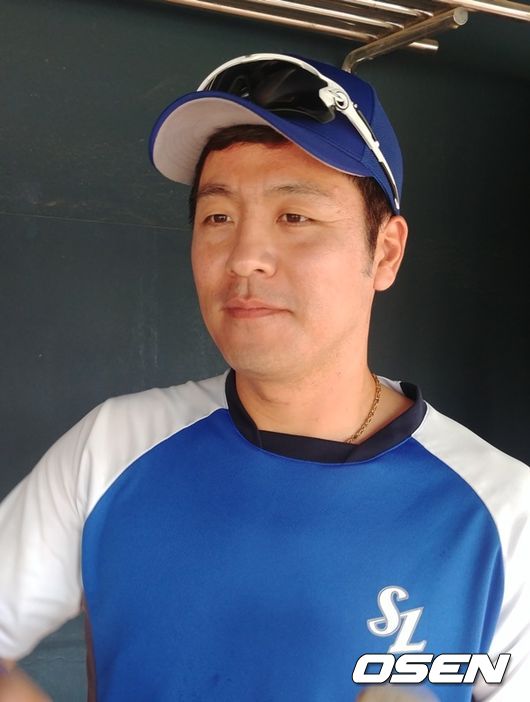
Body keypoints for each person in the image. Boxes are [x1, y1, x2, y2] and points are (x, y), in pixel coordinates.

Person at [0, 52, 528, 702]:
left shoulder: (504, 514)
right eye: (218, 217)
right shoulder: (114, 448)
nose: (245, 257)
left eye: (294, 216)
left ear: (385, 251)